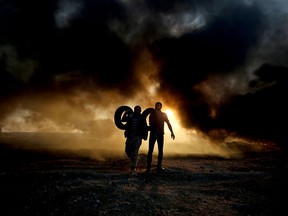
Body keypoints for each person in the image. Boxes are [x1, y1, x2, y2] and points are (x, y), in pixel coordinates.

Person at [146, 102, 175, 172]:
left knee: (160, 150)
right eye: (157, 105)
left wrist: (172, 132)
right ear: (155, 106)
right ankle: (148, 168)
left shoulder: (164, 114)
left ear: (161, 107)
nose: (158, 106)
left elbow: (168, 123)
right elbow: (149, 123)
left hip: (160, 134)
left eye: (159, 105)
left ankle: (159, 167)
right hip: (153, 134)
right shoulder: (152, 114)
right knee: (150, 151)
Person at [121, 105, 148, 175]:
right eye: (136, 109)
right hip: (129, 137)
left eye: (139, 110)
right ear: (134, 110)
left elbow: (145, 126)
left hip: (138, 137)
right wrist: (125, 113)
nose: (138, 111)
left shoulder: (142, 117)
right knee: (127, 151)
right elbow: (123, 120)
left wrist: (145, 136)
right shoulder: (131, 116)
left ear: (140, 111)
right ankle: (133, 160)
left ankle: (133, 169)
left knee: (135, 153)